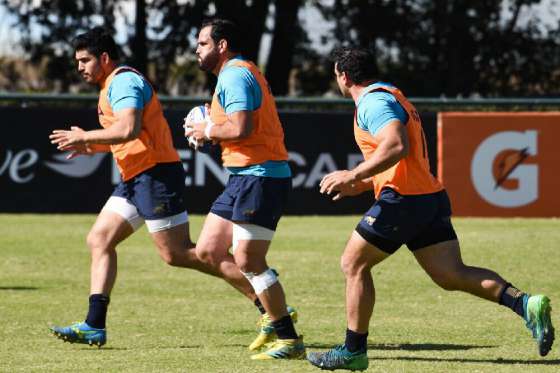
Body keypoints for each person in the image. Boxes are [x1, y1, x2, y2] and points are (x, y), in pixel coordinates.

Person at [306, 46, 554, 371]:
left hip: (405, 200)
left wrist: (352, 174)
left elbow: (396, 146)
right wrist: (362, 184)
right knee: (451, 275)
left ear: (343, 75)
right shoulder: (390, 95)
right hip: (426, 197)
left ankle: (353, 351)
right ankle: (526, 304)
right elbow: (403, 160)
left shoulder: (373, 102)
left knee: (353, 264)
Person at [48, 26, 266, 347]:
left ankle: (269, 304)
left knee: (179, 254)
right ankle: (94, 324)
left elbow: (128, 128)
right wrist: (91, 146)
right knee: (99, 239)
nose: (80, 67)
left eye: (85, 60)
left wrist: (85, 137)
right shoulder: (111, 84)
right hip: (136, 177)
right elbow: (127, 137)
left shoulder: (123, 82)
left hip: (155, 175)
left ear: (104, 58)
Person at [184, 18, 304, 360]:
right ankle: (270, 310)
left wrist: (206, 128)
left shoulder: (235, 74)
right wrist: (209, 126)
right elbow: (236, 126)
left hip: (261, 177)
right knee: (208, 250)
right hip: (242, 177)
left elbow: (240, 126)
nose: (197, 49)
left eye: (203, 43)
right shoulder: (234, 74)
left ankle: (289, 338)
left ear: (222, 46)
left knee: (249, 260)